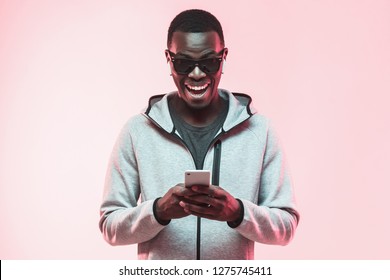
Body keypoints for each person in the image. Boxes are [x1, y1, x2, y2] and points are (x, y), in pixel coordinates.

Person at [99, 9, 299, 260]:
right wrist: (158, 211)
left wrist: (237, 213)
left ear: (223, 57)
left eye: (208, 62)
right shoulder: (137, 131)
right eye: (183, 63)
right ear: (168, 59)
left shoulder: (260, 131)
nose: (197, 74)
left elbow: (286, 227)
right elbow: (110, 227)